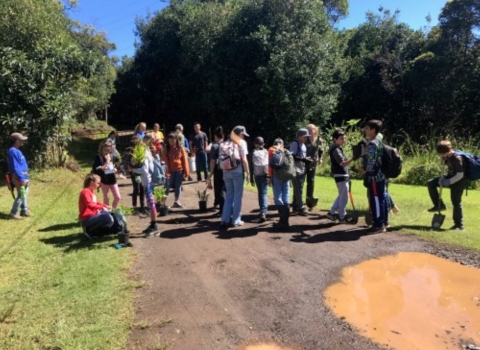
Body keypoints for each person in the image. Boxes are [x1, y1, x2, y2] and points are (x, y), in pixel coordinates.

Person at [427, 140, 466, 230]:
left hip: (459, 181)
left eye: (441, 154)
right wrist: (443, 160)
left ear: (447, 151)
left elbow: (460, 174)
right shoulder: (448, 156)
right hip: (449, 177)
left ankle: (459, 225)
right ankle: (438, 205)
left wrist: (448, 182)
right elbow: (446, 165)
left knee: (456, 202)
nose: (441, 155)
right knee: (431, 183)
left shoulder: (457, 158)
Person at [219, 126, 250, 228]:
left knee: (229, 196)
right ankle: (236, 220)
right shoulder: (241, 143)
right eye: (242, 134)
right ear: (238, 134)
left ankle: (225, 219)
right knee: (237, 197)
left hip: (226, 171)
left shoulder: (224, 143)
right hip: (237, 172)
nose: (244, 137)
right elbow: (244, 159)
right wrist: (248, 173)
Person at [363, 119, 388, 233]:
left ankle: (378, 224)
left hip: (374, 176)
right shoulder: (379, 139)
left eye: (367, 129)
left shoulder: (372, 144)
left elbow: (370, 161)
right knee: (382, 197)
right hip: (382, 175)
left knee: (377, 199)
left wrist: (364, 159)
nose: (365, 130)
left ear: (373, 130)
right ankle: (384, 221)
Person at [326, 129, 354, 223]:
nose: (344, 140)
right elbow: (342, 163)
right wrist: (353, 158)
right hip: (340, 174)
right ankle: (342, 216)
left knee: (342, 195)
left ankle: (332, 212)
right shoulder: (336, 150)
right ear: (335, 139)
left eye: (344, 138)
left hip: (341, 174)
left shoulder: (336, 148)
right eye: (341, 138)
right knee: (344, 197)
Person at [133, 141, 159, 236]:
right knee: (150, 204)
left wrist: (133, 170)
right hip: (148, 182)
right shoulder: (147, 153)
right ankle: (152, 224)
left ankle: (155, 226)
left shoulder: (145, 155)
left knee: (151, 205)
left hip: (148, 182)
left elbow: (144, 170)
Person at [78, 174, 114, 238]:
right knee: (107, 218)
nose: (99, 185)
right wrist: (102, 207)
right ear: (92, 182)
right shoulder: (85, 192)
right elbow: (90, 205)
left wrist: (106, 206)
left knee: (109, 214)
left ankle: (97, 231)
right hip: (86, 218)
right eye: (98, 183)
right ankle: (89, 230)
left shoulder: (91, 191)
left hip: (93, 215)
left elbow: (97, 202)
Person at [7, 132, 32, 219]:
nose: (23, 142)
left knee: (24, 193)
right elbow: (16, 167)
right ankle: (13, 213)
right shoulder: (12, 151)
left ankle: (24, 210)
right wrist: (21, 179)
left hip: (23, 175)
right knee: (21, 195)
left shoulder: (16, 151)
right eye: (21, 140)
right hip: (19, 176)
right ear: (16, 141)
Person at [162, 132, 190, 208]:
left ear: (176, 140)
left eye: (173, 140)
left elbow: (184, 160)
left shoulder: (181, 148)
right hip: (170, 171)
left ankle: (176, 201)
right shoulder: (166, 149)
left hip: (179, 170)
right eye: (170, 141)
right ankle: (162, 203)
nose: (171, 142)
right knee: (167, 186)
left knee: (178, 186)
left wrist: (186, 172)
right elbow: (164, 161)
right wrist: (166, 171)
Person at [268, 138, 291, 228]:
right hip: (286, 176)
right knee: (286, 196)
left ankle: (282, 220)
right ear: (282, 144)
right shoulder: (286, 151)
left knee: (278, 196)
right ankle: (285, 221)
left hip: (276, 175)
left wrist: (269, 176)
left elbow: (270, 165)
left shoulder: (271, 150)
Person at [92, 140, 121, 209]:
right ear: (101, 149)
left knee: (117, 197)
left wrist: (115, 169)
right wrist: (107, 162)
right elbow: (98, 169)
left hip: (112, 179)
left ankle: (113, 210)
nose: (107, 152)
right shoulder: (98, 157)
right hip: (104, 179)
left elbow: (115, 164)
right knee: (106, 197)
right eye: (105, 150)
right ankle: (107, 212)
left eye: (109, 150)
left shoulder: (111, 156)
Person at [289, 128, 311, 216]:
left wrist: (307, 160)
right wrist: (303, 159)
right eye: (304, 136)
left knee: (299, 188)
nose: (306, 138)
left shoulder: (303, 145)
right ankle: (300, 206)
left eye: (307, 137)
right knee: (298, 188)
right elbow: (292, 156)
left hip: (302, 168)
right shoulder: (295, 143)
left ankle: (295, 206)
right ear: (299, 136)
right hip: (296, 169)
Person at [122, 136, 145, 214]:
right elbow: (127, 163)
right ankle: (134, 206)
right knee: (137, 188)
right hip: (135, 173)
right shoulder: (129, 151)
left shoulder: (142, 150)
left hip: (141, 172)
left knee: (142, 188)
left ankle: (142, 206)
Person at [305, 124, 324, 210]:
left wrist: (319, 159)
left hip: (313, 164)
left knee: (311, 182)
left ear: (315, 131)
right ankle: (297, 202)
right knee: (300, 182)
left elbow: (320, 151)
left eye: (311, 130)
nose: (309, 131)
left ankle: (309, 200)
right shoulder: (305, 140)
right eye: (308, 130)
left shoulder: (319, 140)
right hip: (304, 163)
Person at [250, 136, 269, 222]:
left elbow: (251, 166)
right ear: (263, 144)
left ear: (255, 144)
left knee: (260, 193)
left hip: (257, 175)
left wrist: (251, 178)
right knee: (263, 193)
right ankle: (263, 211)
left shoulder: (253, 152)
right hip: (265, 174)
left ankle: (262, 212)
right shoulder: (266, 151)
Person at [207, 126, 225, 215]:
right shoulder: (227, 144)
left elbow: (213, 161)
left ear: (215, 136)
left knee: (219, 190)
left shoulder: (214, 146)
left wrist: (210, 174)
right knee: (227, 189)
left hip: (219, 170)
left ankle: (222, 211)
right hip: (228, 169)